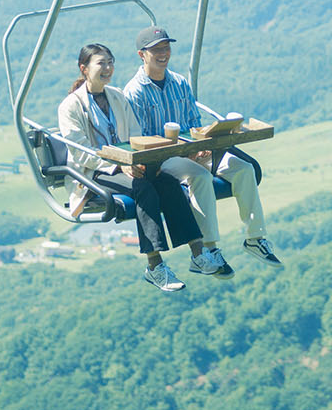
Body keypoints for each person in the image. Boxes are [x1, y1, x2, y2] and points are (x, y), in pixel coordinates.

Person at [56, 42, 228, 290]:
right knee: (144, 189)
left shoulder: (116, 97)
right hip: (95, 173)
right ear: (84, 68)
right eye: (100, 63)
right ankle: (155, 265)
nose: (107, 68)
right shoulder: (71, 106)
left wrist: (142, 161)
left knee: (168, 184)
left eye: (110, 62)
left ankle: (198, 253)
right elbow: (81, 152)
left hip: (131, 164)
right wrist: (119, 165)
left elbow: (136, 135)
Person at [123, 26, 282, 268]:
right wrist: (184, 151)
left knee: (243, 168)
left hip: (193, 150)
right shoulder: (134, 92)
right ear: (142, 54)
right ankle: (209, 248)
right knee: (198, 175)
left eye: (166, 47)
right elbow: (142, 139)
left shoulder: (179, 83)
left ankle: (255, 237)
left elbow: (194, 122)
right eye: (156, 50)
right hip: (165, 158)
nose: (163, 53)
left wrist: (203, 144)